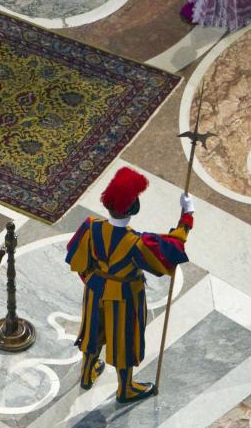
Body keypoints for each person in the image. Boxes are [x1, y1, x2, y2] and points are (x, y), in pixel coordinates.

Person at [65, 168, 195, 404]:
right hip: (125, 297)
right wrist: (187, 215)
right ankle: (125, 388)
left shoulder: (90, 227)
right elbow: (172, 248)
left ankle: (86, 373)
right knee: (125, 339)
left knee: (92, 331)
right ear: (133, 208)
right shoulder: (137, 242)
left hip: (95, 290)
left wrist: (95, 281)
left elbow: (77, 259)